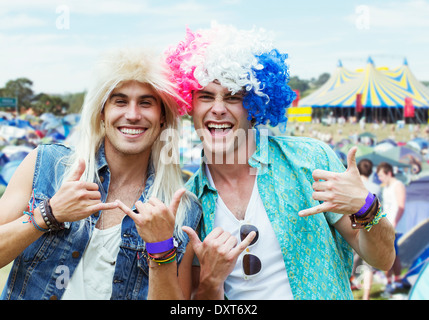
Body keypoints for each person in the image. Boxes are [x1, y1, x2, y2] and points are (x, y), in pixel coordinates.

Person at [164, 23, 396, 300]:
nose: (217, 108)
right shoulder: (189, 203)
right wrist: (211, 282)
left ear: (255, 105)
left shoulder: (310, 160)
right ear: (189, 105)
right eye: (205, 96)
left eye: (233, 96)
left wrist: (367, 207)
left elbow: (383, 260)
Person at [0, 48, 201, 300]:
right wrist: (48, 214)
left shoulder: (181, 208)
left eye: (146, 103)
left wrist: (161, 247)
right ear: (102, 113)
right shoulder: (47, 164)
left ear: (162, 117)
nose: (132, 114)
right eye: (120, 101)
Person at [351, 159, 381, 299]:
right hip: (372, 228)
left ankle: (348, 290)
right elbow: (380, 210)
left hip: (354, 227)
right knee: (368, 266)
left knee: (350, 261)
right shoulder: (377, 187)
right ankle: (366, 296)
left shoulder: (353, 186)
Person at [376, 162, 406, 294]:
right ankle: (395, 281)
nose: (380, 179)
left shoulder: (397, 185)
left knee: (388, 255)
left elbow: (401, 206)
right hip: (386, 224)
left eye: (382, 175)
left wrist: (394, 223)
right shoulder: (386, 187)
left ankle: (393, 282)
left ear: (389, 173)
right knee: (392, 254)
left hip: (393, 225)